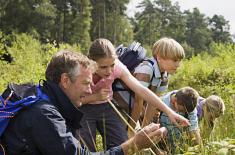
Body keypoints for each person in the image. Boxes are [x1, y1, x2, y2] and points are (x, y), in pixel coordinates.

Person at [1, 50, 169, 155]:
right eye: (86, 83)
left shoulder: (42, 96)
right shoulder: (44, 114)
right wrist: (134, 145)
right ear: (65, 80)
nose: (90, 90)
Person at [78, 38, 189, 152]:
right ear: (91, 62)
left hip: (107, 106)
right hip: (83, 108)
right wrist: (95, 97)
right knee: (86, 147)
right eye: (103, 67)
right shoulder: (80, 71)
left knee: (122, 145)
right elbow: (72, 100)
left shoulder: (118, 67)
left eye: (112, 65)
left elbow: (141, 89)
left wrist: (169, 112)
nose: (110, 71)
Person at [128, 37, 185, 133]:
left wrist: (144, 130)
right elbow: (137, 102)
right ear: (159, 58)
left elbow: (153, 104)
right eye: (175, 60)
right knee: (125, 139)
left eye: (179, 60)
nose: (178, 65)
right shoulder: (146, 69)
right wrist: (131, 130)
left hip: (134, 108)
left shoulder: (165, 75)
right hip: (122, 106)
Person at [159, 87, 201, 153]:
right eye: (181, 110)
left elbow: (194, 131)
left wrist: (199, 150)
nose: (182, 112)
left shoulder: (190, 105)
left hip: (180, 147)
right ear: (175, 101)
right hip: (162, 145)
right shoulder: (160, 102)